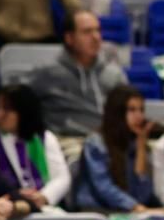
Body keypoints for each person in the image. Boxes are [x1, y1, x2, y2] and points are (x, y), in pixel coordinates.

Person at [28, 11, 129, 141]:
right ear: (69, 38)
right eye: (87, 32)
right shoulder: (46, 73)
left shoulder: (115, 74)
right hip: (65, 142)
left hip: (107, 142)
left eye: (98, 30)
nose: (96, 37)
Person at [76, 85, 159, 213]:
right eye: (132, 110)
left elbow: (143, 196)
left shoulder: (138, 143)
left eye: (141, 110)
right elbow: (103, 187)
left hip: (131, 212)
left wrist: (141, 149)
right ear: (117, 112)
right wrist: (135, 207)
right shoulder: (96, 143)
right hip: (97, 211)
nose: (139, 117)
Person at [0, 83, 71, 210]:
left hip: (46, 208)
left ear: (24, 111)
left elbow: (62, 177)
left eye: (7, 109)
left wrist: (44, 196)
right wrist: (15, 195)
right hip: (9, 208)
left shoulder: (45, 138)